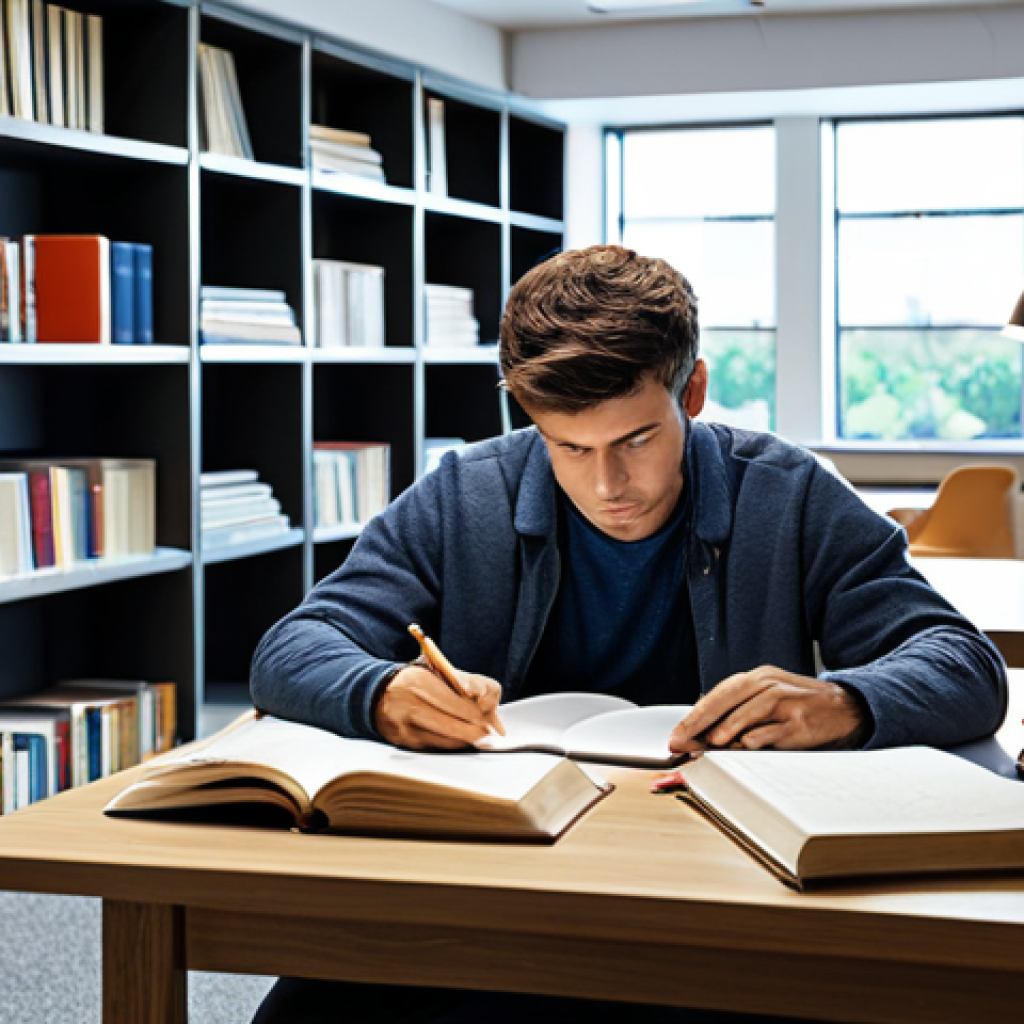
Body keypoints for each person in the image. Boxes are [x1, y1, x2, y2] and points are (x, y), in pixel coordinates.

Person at [249, 244, 1007, 1023]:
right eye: (570, 447)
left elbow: (965, 665)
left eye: (637, 440)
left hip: (724, 880)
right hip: (494, 873)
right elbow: (296, 645)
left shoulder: (790, 491)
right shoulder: (461, 493)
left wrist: (844, 700)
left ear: (695, 391)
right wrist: (381, 691)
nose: (608, 486)